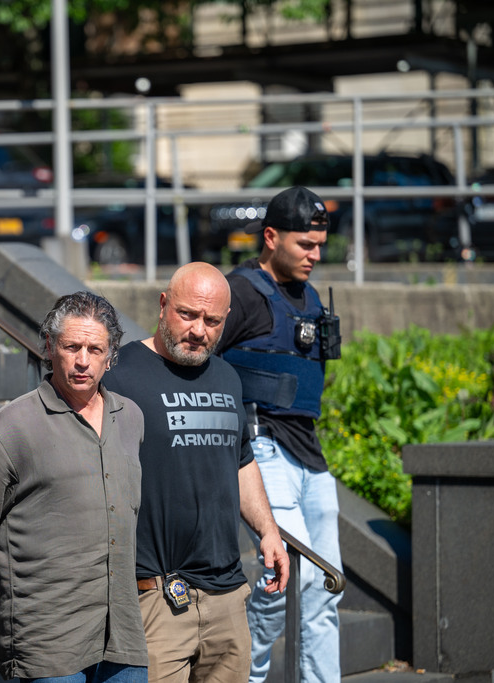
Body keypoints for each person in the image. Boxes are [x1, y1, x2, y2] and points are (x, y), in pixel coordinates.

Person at [102, 262, 289, 683]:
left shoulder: (226, 377)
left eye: (213, 321)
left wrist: (268, 531)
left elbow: (240, 460)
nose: (199, 330)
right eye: (188, 314)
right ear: (164, 304)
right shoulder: (118, 375)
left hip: (227, 596)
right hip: (157, 599)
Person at [0, 291, 149, 683]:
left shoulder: (130, 417)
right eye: (72, 346)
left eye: (95, 349)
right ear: (49, 347)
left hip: (124, 636)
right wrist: (23, 597)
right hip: (47, 645)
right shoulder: (10, 427)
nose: (83, 360)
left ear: (110, 354)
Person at [216, 186, 342, 683]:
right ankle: (244, 676)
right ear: (270, 237)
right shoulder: (242, 291)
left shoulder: (308, 296)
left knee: (327, 585)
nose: (315, 256)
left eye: (319, 246)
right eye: (304, 245)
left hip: (310, 456)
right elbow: (197, 357)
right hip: (260, 445)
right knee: (288, 576)